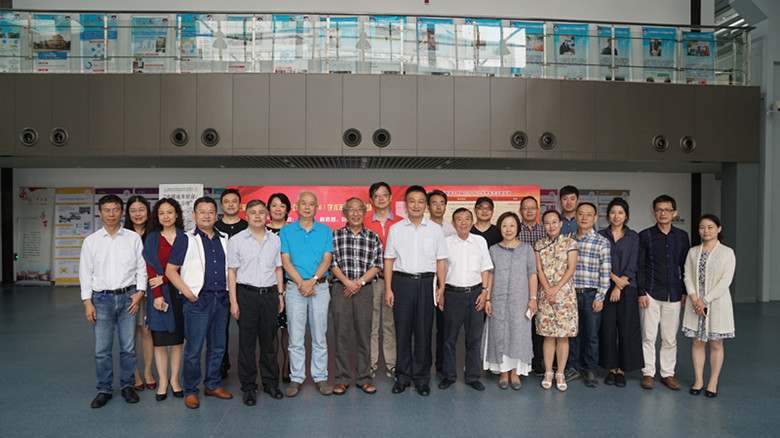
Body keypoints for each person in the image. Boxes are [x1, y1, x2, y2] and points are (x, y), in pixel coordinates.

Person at [79, 194, 147, 408]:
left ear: (122, 212)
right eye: (107, 210)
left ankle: (127, 385)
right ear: (100, 213)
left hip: (129, 298)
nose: (111, 214)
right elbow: (85, 273)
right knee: (102, 349)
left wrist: (140, 292)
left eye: (115, 209)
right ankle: (104, 389)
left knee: (128, 347)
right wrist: (87, 302)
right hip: (101, 300)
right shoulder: (91, 241)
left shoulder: (132, 238)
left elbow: (141, 268)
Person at [166, 197, 233, 409]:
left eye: (211, 211)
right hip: (198, 301)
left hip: (221, 300)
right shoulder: (185, 239)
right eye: (202, 211)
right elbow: (170, 271)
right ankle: (191, 390)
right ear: (194, 215)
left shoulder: (225, 238)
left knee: (218, 347)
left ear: (216, 215)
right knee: (194, 349)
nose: (207, 215)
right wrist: (189, 293)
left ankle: (212, 384)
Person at [384, 185, 448, 396]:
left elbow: (441, 261)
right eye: (412, 201)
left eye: (420, 201)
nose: (416, 205)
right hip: (401, 283)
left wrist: (441, 287)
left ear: (426, 205)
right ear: (405, 205)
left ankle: (421, 378)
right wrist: (388, 289)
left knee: (423, 332)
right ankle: (402, 377)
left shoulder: (435, 230)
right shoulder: (396, 229)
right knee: (402, 332)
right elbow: (389, 260)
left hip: (426, 283)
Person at [227, 200, 285, 405]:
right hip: (246, 295)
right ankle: (249, 387)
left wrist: (280, 295)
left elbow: (278, 268)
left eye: (261, 212)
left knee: (269, 342)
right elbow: (232, 272)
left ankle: (270, 383)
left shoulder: (275, 239)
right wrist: (233, 301)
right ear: (247, 215)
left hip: (269, 295)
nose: (258, 216)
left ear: (267, 215)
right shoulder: (237, 240)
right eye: (253, 212)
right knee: (247, 344)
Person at [280, 190, 334, 397]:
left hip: (319, 287)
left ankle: (320, 377)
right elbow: (285, 261)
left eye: (312, 204)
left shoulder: (325, 230)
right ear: (297, 207)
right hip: (295, 288)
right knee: (295, 336)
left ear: (317, 208)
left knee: (320, 335)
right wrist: (301, 283)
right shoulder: (286, 231)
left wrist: (312, 281)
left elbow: (327, 260)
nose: (307, 207)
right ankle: (296, 377)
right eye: (304, 203)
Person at [330, 197, 383, 395]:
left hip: (364, 290)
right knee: (341, 335)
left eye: (359, 209)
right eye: (351, 209)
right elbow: (331, 262)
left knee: (364, 334)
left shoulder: (373, 237)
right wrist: (347, 282)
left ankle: (364, 378)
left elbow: (377, 265)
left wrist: (358, 283)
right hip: (341, 289)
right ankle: (341, 378)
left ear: (364, 212)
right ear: (344, 213)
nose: (355, 213)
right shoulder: (334, 236)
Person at [638, 195, 690, 391]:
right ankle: (648, 373)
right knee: (648, 336)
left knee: (670, 338)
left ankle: (667, 374)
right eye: (659, 210)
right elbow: (640, 266)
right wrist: (641, 292)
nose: (663, 213)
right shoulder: (645, 235)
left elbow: (686, 266)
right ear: (653, 213)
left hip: (674, 293)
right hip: (650, 292)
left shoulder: (682, 236)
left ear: (674, 213)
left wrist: (684, 291)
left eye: (667, 210)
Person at [481, 212, 537, 390]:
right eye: (504, 225)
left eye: (512, 225)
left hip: (520, 299)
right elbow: (490, 275)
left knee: (518, 334)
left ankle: (515, 372)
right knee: (499, 333)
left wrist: (533, 298)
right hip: (497, 299)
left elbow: (532, 274)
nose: (508, 229)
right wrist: (487, 298)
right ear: (500, 228)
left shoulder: (527, 249)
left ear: (518, 228)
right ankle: (503, 372)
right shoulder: (493, 250)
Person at [438, 208, 492, 391]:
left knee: (474, 338)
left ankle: (472, 376)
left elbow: (485, 268)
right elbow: (441, 269)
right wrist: (441, 292)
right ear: (453, 223)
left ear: (472, 221)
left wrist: (485, 292)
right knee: (449, 338)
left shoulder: (480, 241)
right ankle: (449, 375)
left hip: (476, 294)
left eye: (467, 219)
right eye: (459, 219)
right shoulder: (446, 243)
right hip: (453, 294)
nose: (463, 222)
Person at [682, 214, 735, 398]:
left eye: (710, 227)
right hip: (695, 303)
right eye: (702, 227)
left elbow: (725, 281)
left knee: (715, 343)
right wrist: (695, 298)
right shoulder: (693, 252)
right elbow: (687, 275)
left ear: (718, 229)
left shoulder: (727, 253)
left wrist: (705, 300)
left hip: (716, 303)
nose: (706, 231)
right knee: (697, 341)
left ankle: (713, 381)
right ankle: (698, 380)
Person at [142, 198, 186, 401]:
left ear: (177, 214)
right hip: (157, 294)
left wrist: (166, 278)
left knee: (176, 341)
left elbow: (188, 267)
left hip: (179, 293)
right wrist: (158, 294)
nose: (166, 216)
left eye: (169, 212)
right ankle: (162, 381)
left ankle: (175, 380)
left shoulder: (185, 238)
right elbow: (150, 267)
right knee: (159, 341)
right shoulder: (152, 238)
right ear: (157, 217)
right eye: (161, 213)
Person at [598, 198, 643, 387]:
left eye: (620, 212)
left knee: (627, 329)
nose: (616, 216)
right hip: (605, 287)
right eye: (613, 212)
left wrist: (619, 286)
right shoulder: (601, 235)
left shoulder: (633, 237)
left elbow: (633, 263)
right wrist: (614, 281)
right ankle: (611, 369)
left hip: (628, 287)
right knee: (608, 329)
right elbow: (599, 262)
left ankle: (622, 370)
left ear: (626, 215)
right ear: (608, 215)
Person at [564, 202, 611, 388]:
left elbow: (605, 272)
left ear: (595, 218)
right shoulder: (567, 240)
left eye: (589, 214)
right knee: (572, 333)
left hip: (591, 295)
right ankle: (573, 367)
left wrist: (600, 297)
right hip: (570, 294)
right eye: (581, 214)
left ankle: (590, 369)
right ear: (575, 216)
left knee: (592, 335)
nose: (584, 218)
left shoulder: (601, 242)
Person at [535, 209, 578, 391]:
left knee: (562, 336)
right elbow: (539, 270)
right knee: (548, 335)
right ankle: (548, 372)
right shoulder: (539, 244)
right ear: (543, 225)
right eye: (547, 223)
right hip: (545, 295)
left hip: (565, 294)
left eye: (554, 222)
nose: (551, 226)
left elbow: (571, 269)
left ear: (561, 224)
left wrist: (556, 288)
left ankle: (560, 372)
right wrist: (548, 289)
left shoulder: (570, 243)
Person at [364, 182, 398, 380]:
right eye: (377, 195)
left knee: (390, 325)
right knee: (371, 325)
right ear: (371, 200)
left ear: (390, 197)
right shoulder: (365, 221)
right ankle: (370, 365)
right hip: (373, 280)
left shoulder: (402, 222)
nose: (381, 198)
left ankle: (393, 365)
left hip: (395, 280)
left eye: (384, 195)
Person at [214, 188, 248, 380]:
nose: (230, 204)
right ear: (222, 205)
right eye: (226, 201)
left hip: (243, 283)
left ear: (240, 204)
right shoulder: (214, 227)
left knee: (245, 327)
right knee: (220, 328)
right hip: (220, 284)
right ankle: (221, 363)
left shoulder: (248, 226)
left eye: (234, 201)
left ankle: (246, 365)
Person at [124, 195, 156, 392]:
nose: (138, 214)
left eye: (141, 209)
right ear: (128, 213)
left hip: (151, 288)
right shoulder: (123, 235)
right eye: (133, 210)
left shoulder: (154, 233)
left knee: (146, 331)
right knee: (130, 334)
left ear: (148, 211)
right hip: (130, 290)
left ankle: (148, 371)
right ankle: (134, 373)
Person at [427, 189, 456, 375]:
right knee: (425, 326)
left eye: (442, 203)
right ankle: (424, 364)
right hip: (427, 282)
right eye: (434, 203)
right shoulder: (423, 228)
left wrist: (443, 285)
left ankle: (442, 364)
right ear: (428, 206)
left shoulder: (452, 230)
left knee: (444, 327)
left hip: (447, 283)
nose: (438, 207)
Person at [517, 195, 546, 376]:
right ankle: (520, 360)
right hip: (518, 284)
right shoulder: (514, 230)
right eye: (525, 208)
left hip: (540, 284)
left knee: (537, 323)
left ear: (537, 210)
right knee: (520, 323)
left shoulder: (544, 231)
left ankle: (537, 361)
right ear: (520, 211)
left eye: (532, 208)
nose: (529, 211)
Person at [267, 193, 292, 384]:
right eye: (274, 205)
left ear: (287, 210)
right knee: (272, 328)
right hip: (268, 285)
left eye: (282, 205)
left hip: (290, 284)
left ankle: (288, 366)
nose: (278, 209)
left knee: (289, 329)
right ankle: (273, 366)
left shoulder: (293, 231)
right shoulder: (263, 230)